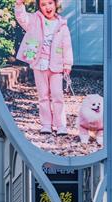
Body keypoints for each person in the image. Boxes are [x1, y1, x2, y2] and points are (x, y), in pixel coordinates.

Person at [14, 0, 74, 135]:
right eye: (43, 4)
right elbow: (21, 18)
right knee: (43, 96)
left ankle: (60, 125)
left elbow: (67, 46)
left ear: (55, 4)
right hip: (39, 64)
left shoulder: (62, 25)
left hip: (56, 66)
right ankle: (46, 124)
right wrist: (19, 4)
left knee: (57, 95)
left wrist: (67, 64)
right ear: (39, 7)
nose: (47, 7)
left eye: (50, 3)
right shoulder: (34, 20)